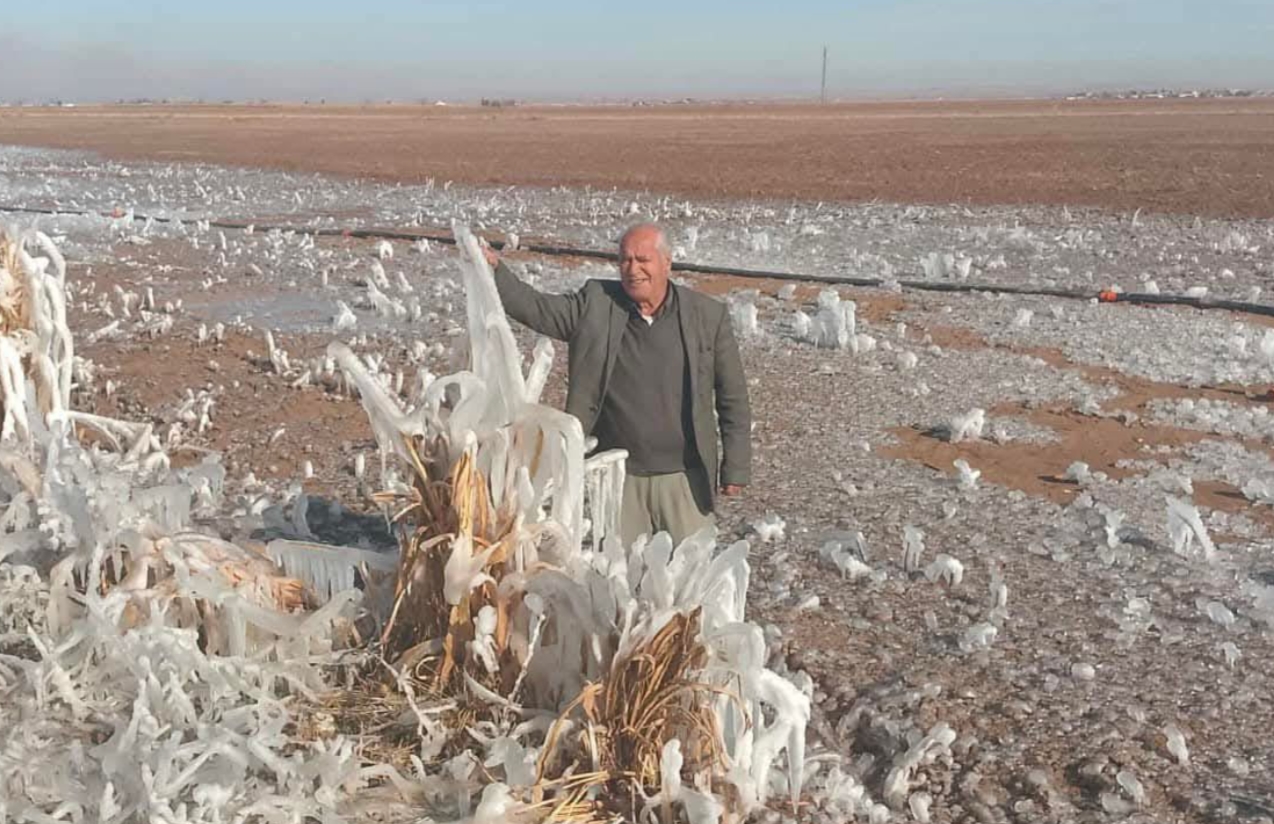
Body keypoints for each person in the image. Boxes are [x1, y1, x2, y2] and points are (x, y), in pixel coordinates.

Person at [483, 223, 750, 546]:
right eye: (624, 260)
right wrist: (495, 270)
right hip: (619, 479)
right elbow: (539, 310)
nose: (632, 270)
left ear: (667, 263)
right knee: (621, 583)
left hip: (685, 480)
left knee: (690, 584)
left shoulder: (706, 316)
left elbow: (732, 397)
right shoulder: (596, 305)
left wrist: (734, 467)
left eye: (643, 260)